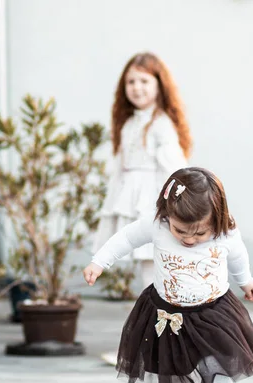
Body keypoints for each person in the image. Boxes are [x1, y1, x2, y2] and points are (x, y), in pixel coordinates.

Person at [84, 167, 253, 383]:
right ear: (167, 214)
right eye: (181, 230)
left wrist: (246, 280)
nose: (189, 238)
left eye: (199, 232)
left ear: (218, 218)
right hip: (167, 315)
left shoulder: (226, 230)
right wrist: (99, 262)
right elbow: (126, 238)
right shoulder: (157, 225)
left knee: (219, 369)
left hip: (214, 313)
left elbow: (237, 256)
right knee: (171, 377)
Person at [94, 52, 192, 365]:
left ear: (159, 85)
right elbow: (119, 169)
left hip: (152, 208)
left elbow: (176, 169)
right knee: (150, 282)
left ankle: (156, 349)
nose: (136, 88)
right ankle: (151, 347)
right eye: (131, 82)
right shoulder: (129, 124)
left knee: (156, 281)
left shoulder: (161, 125)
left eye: (144, 81)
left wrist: (178, 208)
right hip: (132, 205)